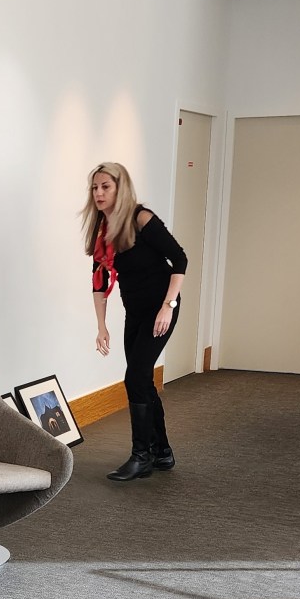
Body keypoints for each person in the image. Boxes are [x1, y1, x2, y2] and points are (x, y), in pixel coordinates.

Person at [81, 162, 187, 481]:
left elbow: (179, 259)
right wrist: (102, 326)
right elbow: (99, 281)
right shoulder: (102, 229)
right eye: (95, 188)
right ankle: (162, 452)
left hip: (161, 307)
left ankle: (141, 455)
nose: (99, 193)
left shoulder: (141, 219)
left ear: (120, 187)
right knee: (141, 379)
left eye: (105, 187)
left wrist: (168, 305)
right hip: (136, 311)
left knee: (135, 377)